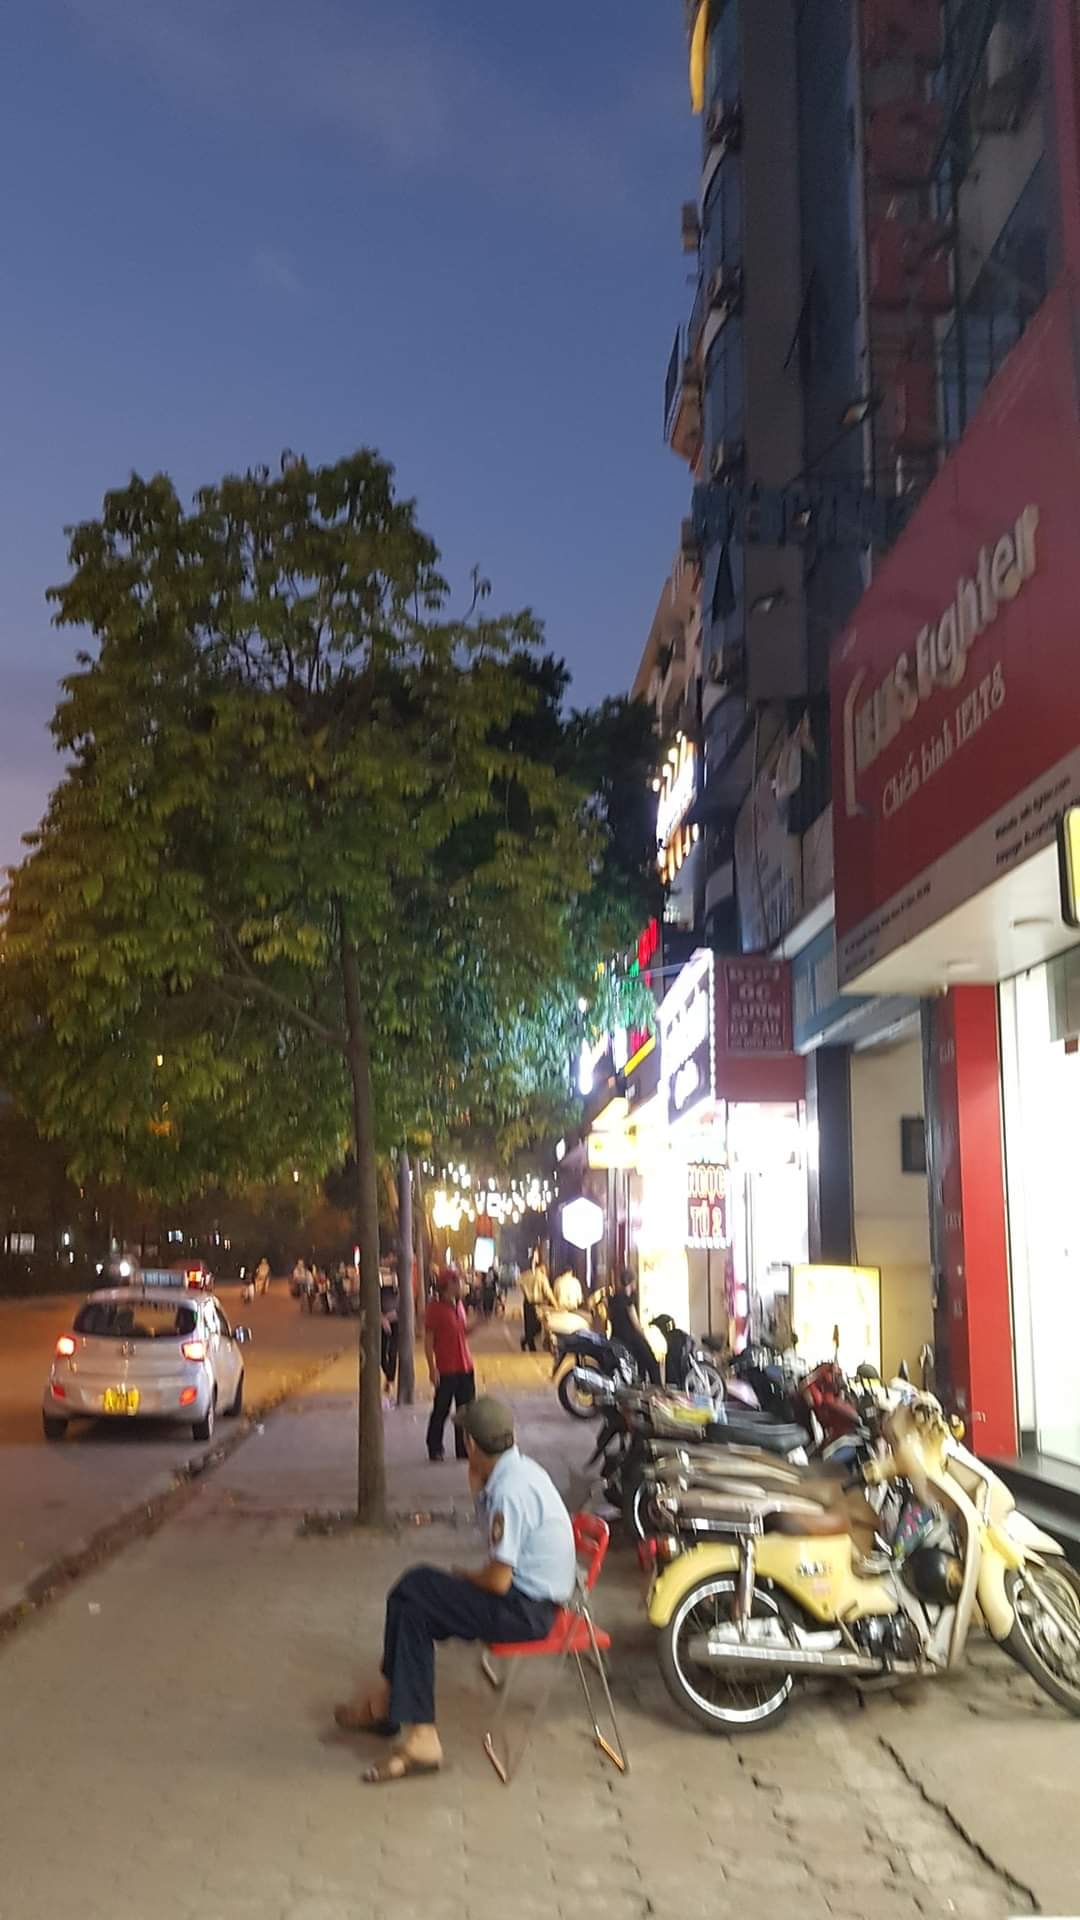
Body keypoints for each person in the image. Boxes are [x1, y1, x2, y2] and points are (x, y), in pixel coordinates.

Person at [334, 1395, 576, 1783]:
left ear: (471, 1444)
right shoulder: (521, 1472)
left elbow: (497, 1579)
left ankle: (411, 1726)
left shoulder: (509, 1492)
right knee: (412, 1599)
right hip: (532, 1599)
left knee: (414, 1591)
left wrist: (465, 1577)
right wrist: (477, 1493)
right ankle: (398, 1715)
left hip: (526, 1610)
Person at [423, 1268, 475, 1461]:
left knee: (466, 1411)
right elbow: (428, 1341)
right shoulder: (435, 1309)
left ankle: (463, 1448)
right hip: (446, 1368)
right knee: (441, 1410)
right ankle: (435, 1446)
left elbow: (463, 1331)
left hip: (465, 1366)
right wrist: (432, 1368)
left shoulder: (459, 1305)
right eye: (457, 1282)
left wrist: (480, 1323)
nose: (460, 1285)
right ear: (448, 1286)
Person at [608, 1268, 662, 1387]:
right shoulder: (629, 1301)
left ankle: (640, 1383)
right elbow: (636, 1324)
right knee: (652, 1361)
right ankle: (657, 1388)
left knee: (641, 1360)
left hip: (617, 1337)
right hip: (630, 1338)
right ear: (632, 1282)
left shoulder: (613, 1299)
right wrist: (645, 1337)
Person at [520, 1257, 555, 1352]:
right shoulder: (542, 1277)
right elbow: (548, 1292)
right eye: (544, 1269)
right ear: (541, 1268)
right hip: (537, 1305)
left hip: (527, 1304)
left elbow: (520, 1284)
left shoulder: (525, 1275)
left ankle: (527, 1343)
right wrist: (556, 1305)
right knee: (538, 1326)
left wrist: (526, 1293)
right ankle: (528, 1343)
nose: (546, 1271)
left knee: (529, 1326)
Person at [380, 1269, 400, 1394]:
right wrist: (382, 1318)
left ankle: (390, 1380)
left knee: (392, 1352)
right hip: (382, 1321)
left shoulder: (398, 1288)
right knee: (381, 1353)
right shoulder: (380, 1288)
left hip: (395, 1321)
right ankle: (389, 1376)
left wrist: (395, 1314)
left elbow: (402, 1304)